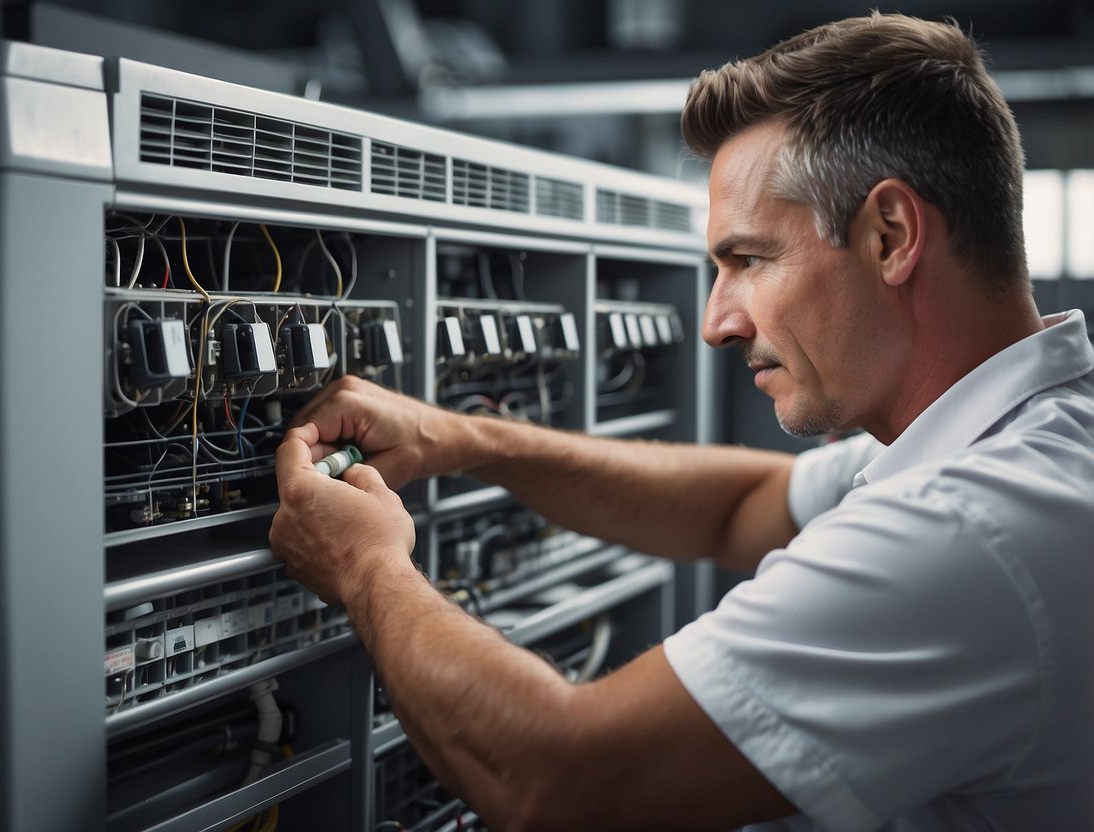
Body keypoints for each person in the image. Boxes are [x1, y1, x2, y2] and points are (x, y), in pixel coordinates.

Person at [269, 12, 1094, 830]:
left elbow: (556, 777)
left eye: (748, 259)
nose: (716, 323)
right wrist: (465, 438)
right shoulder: (1026, 440)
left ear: (889, 235)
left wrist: (367, 567)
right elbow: (740, 503)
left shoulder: (972, 527)